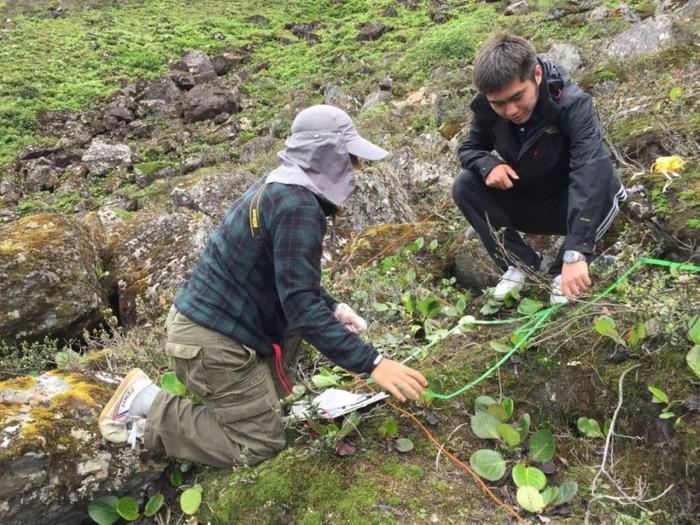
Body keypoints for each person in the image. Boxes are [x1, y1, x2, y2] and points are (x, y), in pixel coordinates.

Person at [98, 105, 428, 468]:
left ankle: (238, 408)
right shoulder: (298, 206)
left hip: (212, 329)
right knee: (259, 446)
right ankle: (144, 404)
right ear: (327, 157)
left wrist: (332, 307)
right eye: (349, 158)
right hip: (211, 342)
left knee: (272, 394)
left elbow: (288, 279)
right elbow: (299, 306)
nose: (356, 169)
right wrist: (373, 363)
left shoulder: (281, 186)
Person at [452, 35, 626, 304]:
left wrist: (576, 252)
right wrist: (488, 165)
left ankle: (560, 271)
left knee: (605, 179)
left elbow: (589, 169)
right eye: (499, 103)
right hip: (530, 198)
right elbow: (469, 148)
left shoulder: (572, 104)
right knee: (465, 185)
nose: (510, 110)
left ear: (536, 74)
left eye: (517, 97)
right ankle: (520, 265)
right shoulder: (489, 106)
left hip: (569, 203)